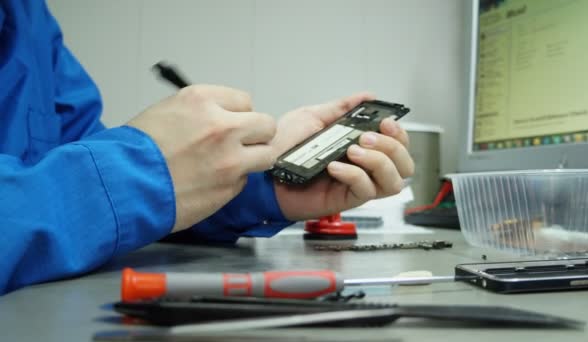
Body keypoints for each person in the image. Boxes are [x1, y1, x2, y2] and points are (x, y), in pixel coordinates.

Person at [0, 1, 414, 295]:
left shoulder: (30, 16)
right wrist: (146, 175)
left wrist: (264, 187)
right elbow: (98, 189)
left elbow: (78, 170)